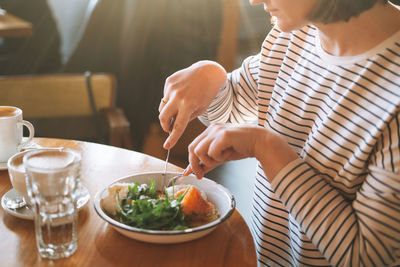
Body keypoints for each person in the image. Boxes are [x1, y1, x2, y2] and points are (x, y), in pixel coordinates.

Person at [158, 0, 400, 266]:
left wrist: (265, 147)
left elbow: (365, 256)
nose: (254, 1)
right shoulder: (295, 34)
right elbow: (232, 107)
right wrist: (212, 79)